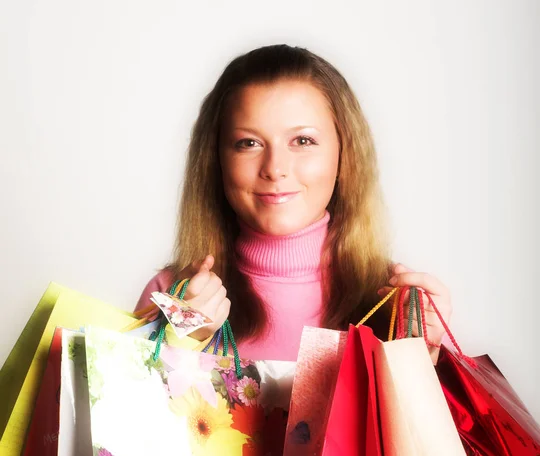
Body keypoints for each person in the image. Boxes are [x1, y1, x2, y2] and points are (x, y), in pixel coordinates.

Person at [135, 43, 452, 363]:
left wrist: (426, 352)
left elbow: (419, 413)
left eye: (303, 141)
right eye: (249, 143)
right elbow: (126, 409)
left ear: (345, 155)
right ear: (216, 159)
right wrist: (182, 337)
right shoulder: (174, 294)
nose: (274, 168)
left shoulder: (397, 304)